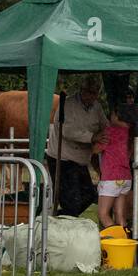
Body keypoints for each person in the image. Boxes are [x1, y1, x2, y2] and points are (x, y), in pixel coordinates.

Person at [46, 76, 108, 217]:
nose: (91, 95)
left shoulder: (97, 107)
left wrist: (110, 134)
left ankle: (59, 218)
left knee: (88, 195)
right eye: (88, 92)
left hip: (79, 160)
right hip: (61, 158)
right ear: (82, 90)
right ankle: (65, 222)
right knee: (70, 200)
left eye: (94, 92)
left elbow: (105, 125)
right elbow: (67, 131)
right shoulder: (67, 105)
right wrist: (93, 137)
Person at [94, 102, 133, 230]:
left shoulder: (109, 131)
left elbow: (95, 150)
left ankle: (115, 241)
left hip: (111, 177)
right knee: (120, 215)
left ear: (115, 115)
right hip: (126, 177)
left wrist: (94, 138)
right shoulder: (130, 132)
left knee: (103, 214)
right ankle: (125, 242)